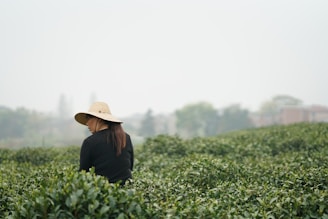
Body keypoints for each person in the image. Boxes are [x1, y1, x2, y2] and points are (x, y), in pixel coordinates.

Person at [74, 101, 134, 185]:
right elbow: (130, 167)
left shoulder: (90, 142)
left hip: (102, 193)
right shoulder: (125, 137)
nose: (87, 124)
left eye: (88, 119)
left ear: (98, 119)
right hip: (127, 192)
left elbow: (83, 174)